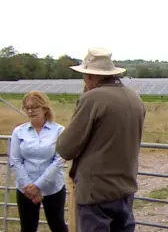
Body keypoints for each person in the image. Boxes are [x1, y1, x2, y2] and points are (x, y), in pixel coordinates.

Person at [56, 47, 146, 232]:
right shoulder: (135, 98)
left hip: (96, 194)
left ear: (90, 76)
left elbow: (66, 148)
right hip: (125, 188)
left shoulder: (93, 99)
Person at [9, 91, 68, 232]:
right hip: (26, 189)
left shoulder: (59, 130)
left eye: (34, 107)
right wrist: (28, 187)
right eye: (27, 107)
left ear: (44, 108)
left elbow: (59, 160)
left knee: (57, 225)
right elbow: (15, 160)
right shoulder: (19, 132)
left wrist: (39, 186)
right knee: (28, 227)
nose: (30, 111)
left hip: (53, 187)